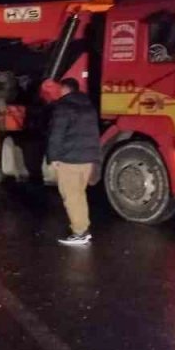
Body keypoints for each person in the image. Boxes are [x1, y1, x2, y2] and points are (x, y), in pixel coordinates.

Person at [46, 77, 101, 246]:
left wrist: (53, 157)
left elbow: (57, 134)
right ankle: (83, 228)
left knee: (71, 196)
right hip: (88, 160)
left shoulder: (63, 106)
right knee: (79, 195)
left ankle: (80, 233)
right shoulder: (89, 106)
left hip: (70, 159)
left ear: (64, 90)